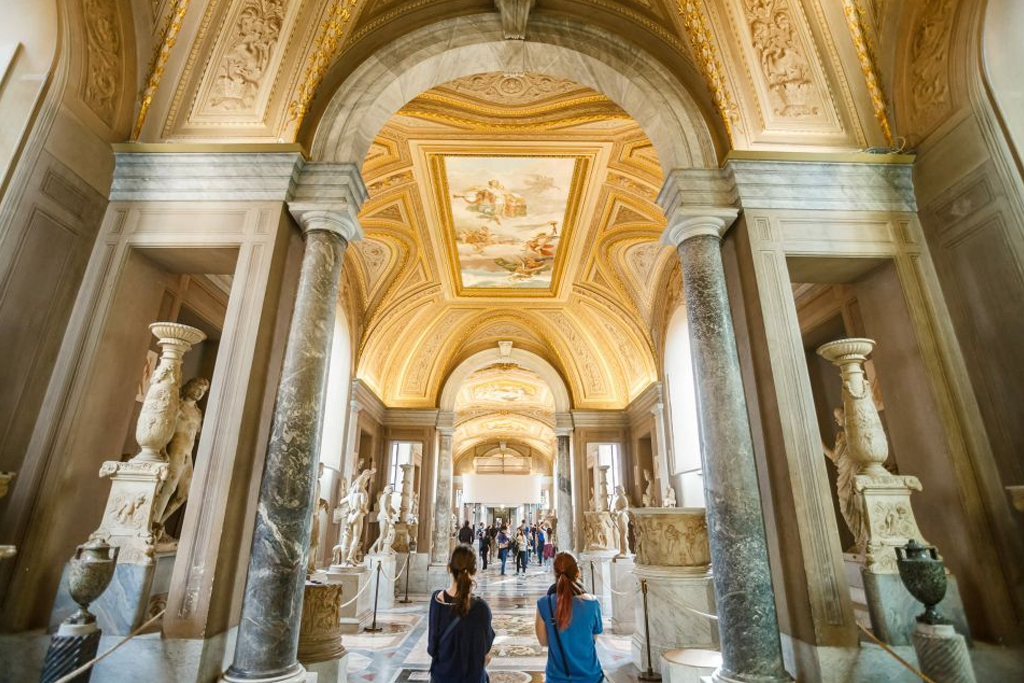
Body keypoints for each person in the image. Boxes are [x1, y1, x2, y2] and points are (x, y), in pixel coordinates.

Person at [428, 544, 495, 683]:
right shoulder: (481, 608)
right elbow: (485, 654)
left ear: (449, 568)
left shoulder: (437, 600)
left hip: (442, 677)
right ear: (474, 570)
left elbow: (432, 648)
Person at [535, 552, 604, 683]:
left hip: (557, 677)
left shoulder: (544, 603)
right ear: (577, 573)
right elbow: (593, 638)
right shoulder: (593, 604)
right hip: (590, 675)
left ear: (554, 574)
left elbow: (544, 642)